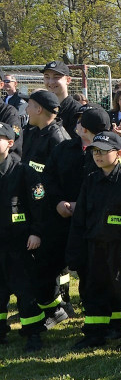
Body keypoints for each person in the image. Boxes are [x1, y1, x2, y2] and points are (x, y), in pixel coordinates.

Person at [65, 131, 121, 352]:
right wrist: (76, 251)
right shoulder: (91, 180)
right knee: (94, 290)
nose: (97, 156)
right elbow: (80, 217)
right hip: (95, 245)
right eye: (94, 151)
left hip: (119, 248)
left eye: (103, 151)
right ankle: (95, 332)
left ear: (119, 153)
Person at [41, 106, 110, 324]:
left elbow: (109, 188)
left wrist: (79, 206)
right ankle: (54, 309)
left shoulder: (105, 153)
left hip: (91, 222)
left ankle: (96, 319)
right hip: (61, 218)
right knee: (47, 266)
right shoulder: (64, 149)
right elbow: (48, 178)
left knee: (89, 272)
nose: (77, 124)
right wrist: (58, 202)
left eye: (82, 121)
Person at [0, 120, 47, 352]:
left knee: (25, 290)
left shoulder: (23, 171)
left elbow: (39, 206)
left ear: (9, 143)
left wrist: (36, 232)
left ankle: (33, 333)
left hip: (19, 243)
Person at [40, 60, 82, 137]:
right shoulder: (41, 108)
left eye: (56, 77)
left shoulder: (77, 111)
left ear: (68, 80)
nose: (51, 82)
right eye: (47, 77)